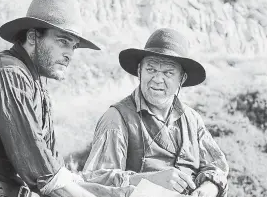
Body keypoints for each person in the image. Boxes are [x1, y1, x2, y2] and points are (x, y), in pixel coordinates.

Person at [0, 0, 101, 197]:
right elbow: (43, 172)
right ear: (32, 37)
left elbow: (56, 170)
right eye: (63, 42)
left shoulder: (37, 87)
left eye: (73, 46)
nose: (70, 54)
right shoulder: (6, 72)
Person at [83, 28, 229, 197]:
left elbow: (217, 167)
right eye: (151, 70)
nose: (158, 79)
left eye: (168, 73)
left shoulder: (192, 120)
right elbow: (94, 180)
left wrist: (209, 188)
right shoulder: (117, 118)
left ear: (182, 79)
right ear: (139, 71)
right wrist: (148, 180)